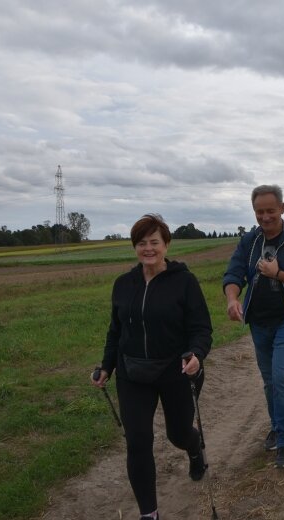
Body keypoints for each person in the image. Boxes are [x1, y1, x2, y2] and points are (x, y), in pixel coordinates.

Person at [91, 213, 213, 520]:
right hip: (133, 374)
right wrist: (107, 366)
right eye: (141, 243)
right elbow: (115, 331)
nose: (148, 248)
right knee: (138, 441)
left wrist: (196, 354)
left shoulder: (184, 282)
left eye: (154, 242)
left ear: (167, 245)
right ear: (135, 247)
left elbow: (201, 328)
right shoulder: (123, 284)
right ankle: (150, 513)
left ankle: (194, 448)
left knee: (178, 434)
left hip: (177, 371)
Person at [223, 185, 284, 469]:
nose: (265, 217)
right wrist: (232, 299)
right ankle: (278, 427)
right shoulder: (249, 241)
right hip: (259, 322)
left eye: (270, 210)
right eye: (259, 211)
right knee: (269, 381)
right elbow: (234, 272)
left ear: (282, 208)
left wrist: (278, 274)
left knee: (281, 377)